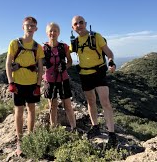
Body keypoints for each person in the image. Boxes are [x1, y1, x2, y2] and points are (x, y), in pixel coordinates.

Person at [70, 15, 118, 148]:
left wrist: (111, 62)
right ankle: (95, 126)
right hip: (84, 74)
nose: (79, 25)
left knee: (105, 102)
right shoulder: (75, 42)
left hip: (99, 73)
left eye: (81, 22)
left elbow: (109, 52)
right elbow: (66, 54)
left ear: (85, 24)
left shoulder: (96, 36)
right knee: (91, 101)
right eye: (76, 24)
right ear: (72, 27)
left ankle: (112, 135)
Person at [5, 16, 44, 156]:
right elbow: (8, 63)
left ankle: (31, 136)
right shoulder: (14, 43)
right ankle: (19, 141)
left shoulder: (38, 47)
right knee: (19, 112)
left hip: (32, 83)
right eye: (27, 25)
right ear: (23, 27)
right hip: (18, 84)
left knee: (32, 110)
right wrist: (10, 82)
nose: (30, 27)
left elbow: (40, 67)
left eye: (32, 25)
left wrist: (38, 85)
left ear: (36, 28)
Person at [42, 22, 77, 131]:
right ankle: (54, 129)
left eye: (55, 30)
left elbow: (70, 61)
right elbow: (38, 65)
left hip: (63, 78)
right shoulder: (43, 49)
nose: (53, 33)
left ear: (59, 33)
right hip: (49, 80)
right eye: (50, 31)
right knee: (52, 106)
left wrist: (64, 66)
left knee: (67, 104)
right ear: (47, 33)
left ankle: (74, 128)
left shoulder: (64, 47)